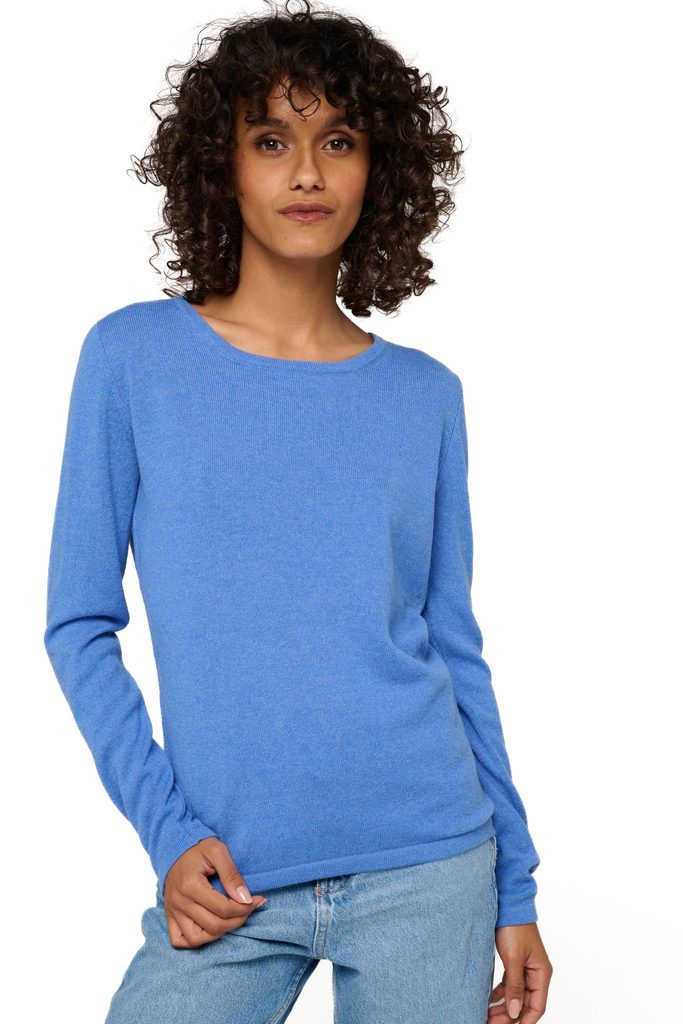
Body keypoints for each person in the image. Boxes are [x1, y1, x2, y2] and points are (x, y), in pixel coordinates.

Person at [43, 1, 553, 1021]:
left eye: (338, 141)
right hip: (229, 876)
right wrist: (168, 831)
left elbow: (450, 641)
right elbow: (78, 624)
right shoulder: (132, 358)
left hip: (429, 864)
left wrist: (514, 884)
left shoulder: (423, 395)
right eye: (271, 141)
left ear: (379, 170)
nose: (307, 173)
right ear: (221, 166)